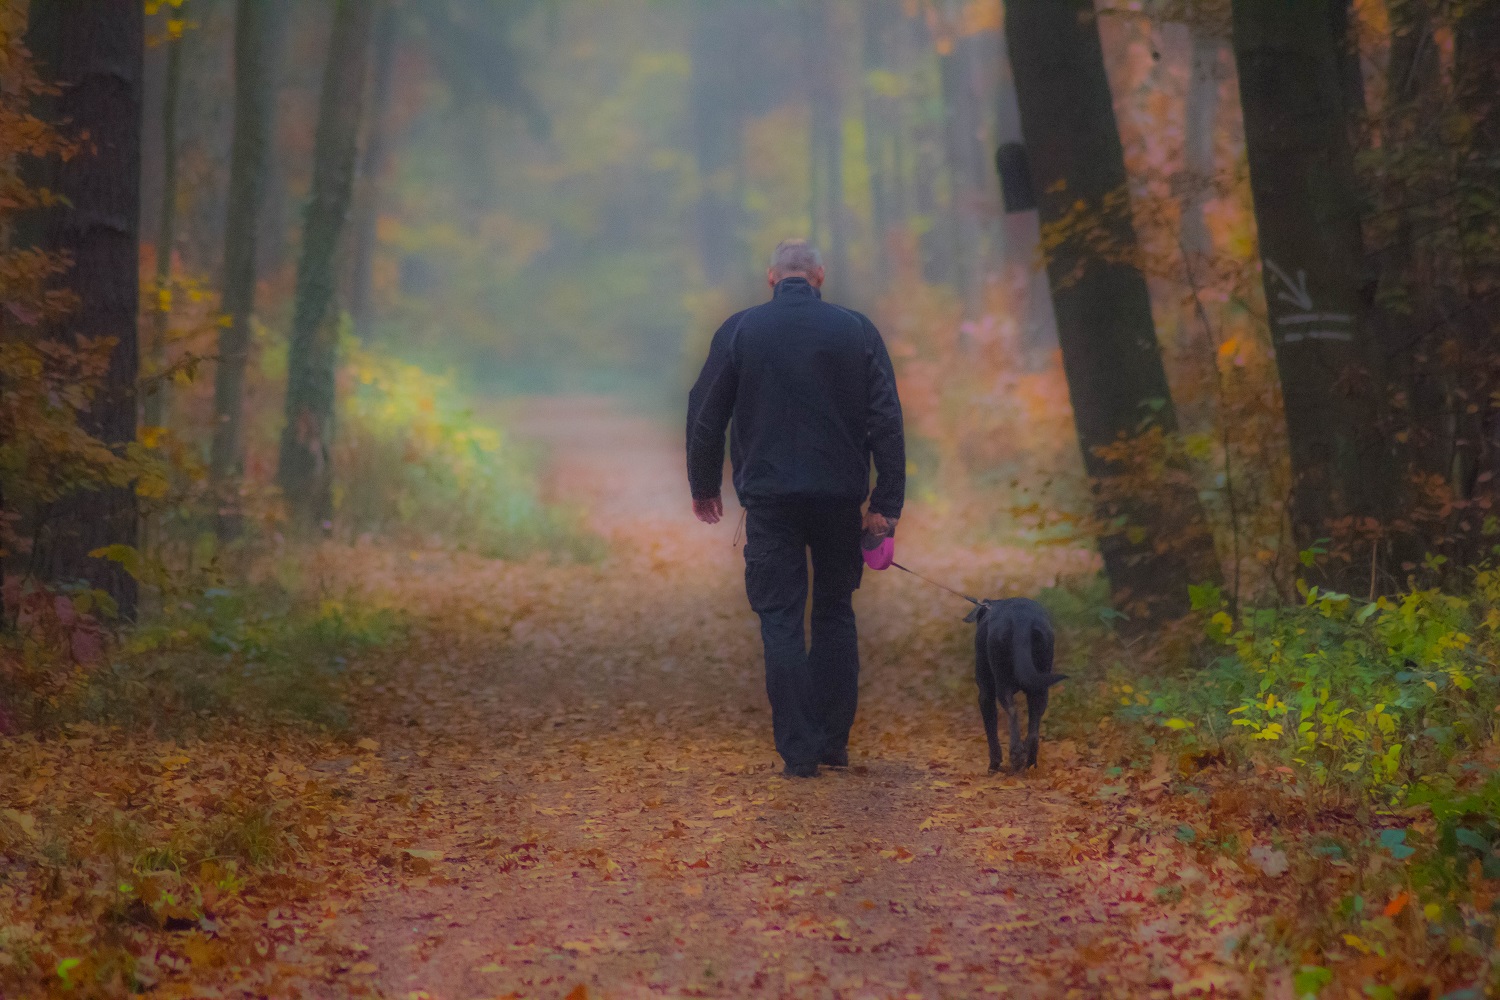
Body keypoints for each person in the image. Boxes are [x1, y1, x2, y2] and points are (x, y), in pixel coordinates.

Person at [686, 239, 906, 778]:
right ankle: (832, 742)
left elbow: (707, 414)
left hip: (771, 502)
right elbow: (887, 419)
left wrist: (704, 484)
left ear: (771, 278)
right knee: (834, 612)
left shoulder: (742, 329)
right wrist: (886, 503)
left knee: (780, 617)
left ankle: (799, 752)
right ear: (819, 276)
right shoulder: (855, 330)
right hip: (838, 499)